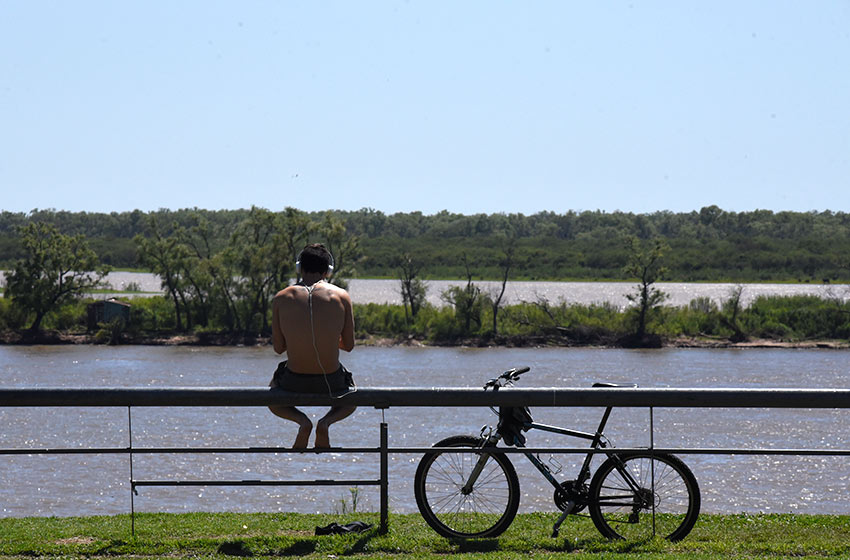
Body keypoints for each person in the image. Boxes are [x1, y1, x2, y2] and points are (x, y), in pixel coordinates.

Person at [269, 243, 356, 448]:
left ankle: (302, 421)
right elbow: (349, 345)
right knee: (351, 400)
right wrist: (328, 339)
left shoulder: (281, 298)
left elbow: (278, 348)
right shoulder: (342, 296)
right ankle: (325, 423)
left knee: (271, 398)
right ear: (328, 270)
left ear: (299, 267)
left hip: (293, 381)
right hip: (332, 381)